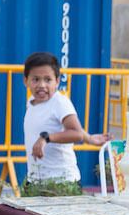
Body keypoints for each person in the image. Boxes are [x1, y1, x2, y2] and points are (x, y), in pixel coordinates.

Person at [23, 52, 109, 185]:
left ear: (57, 81)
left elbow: (76, 132)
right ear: (26, 81)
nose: (42, 85)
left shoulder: (59, 103)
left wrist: (46, 138)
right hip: (36, 180)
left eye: (48, 79)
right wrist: (90, 138)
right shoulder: (31, 102)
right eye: (35, 79)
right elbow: (74, 131)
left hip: (61, 182)